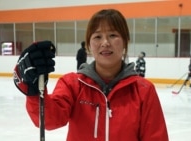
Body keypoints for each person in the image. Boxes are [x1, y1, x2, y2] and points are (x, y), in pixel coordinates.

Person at [13, 9, 168, 141]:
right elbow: (49, 120)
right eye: (98, 36)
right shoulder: (72, 84)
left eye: (113, 35)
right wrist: (33, 90)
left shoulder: (143, 90)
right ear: (88, 44)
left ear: (125, 41)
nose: (105, 42)